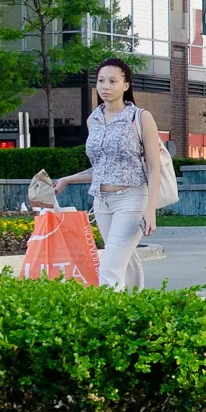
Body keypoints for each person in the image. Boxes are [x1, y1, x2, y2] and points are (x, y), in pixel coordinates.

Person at [54, 57, 161, 289]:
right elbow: (102, 168)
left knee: (110, 266)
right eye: (101, 81)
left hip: (132, 199)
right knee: (126, 260)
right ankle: (135, 312)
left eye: (113, 81)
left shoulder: (140, 117)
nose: (105, 86)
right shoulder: (93, 120)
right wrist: (68, 179)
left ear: (126, 85)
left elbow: (154, 166)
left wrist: (151, 208)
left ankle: (108, 318)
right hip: (102, 202)